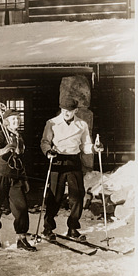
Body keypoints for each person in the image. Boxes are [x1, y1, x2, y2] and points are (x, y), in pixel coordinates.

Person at [40, 98, 104, 241]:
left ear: (75, 110)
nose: (66, 113)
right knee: (55, 196)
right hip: (57, 159)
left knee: (77, 195)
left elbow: (85, 145)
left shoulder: (82, 124)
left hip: (74, 160)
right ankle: (48, 228)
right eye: (63, 110)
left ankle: (73, 228)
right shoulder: (52, 123)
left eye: (69, 111)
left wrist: (94, 148)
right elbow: (45, 142)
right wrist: (48, 151)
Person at [0, 108, 36, 251]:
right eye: (13, 119)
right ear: (6, 122)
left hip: (16, 177)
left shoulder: (19, 138)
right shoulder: (0, 135)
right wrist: (4, 150)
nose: (16, 121)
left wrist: (25, 179)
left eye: (17, 118)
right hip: (0, 175)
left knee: (21, 207)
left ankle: (21, 238)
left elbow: (21, 161)